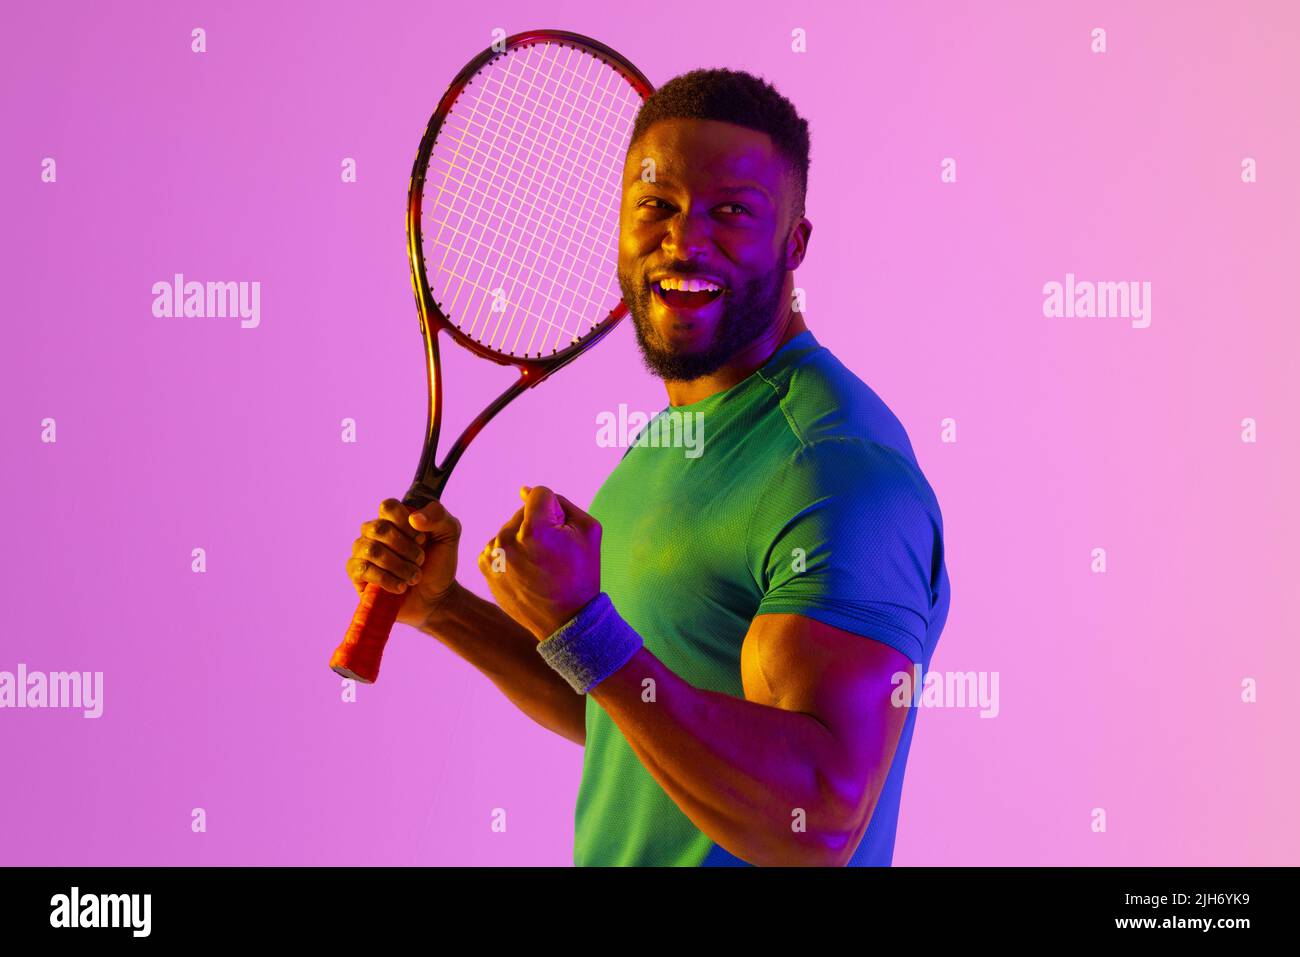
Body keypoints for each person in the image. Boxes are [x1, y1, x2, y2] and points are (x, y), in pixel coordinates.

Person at [345, 68, 951, 866]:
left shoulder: (834, 467)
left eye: (731, 213)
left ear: (795, 243)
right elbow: (628, 712)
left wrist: (581, 625)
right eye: (656, 207)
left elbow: (817, 815)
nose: (684, 239)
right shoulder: (673, 439)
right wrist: (446, 608)